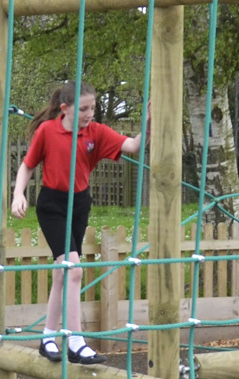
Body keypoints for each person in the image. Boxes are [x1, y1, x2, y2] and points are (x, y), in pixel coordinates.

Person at [12, 82, 143, 364]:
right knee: (73, 271)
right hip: (52, 205)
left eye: (93, 107)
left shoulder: (94, 132)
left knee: (63, 273)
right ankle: (75, 341)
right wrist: (18, 194)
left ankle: (48, 338)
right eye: (83, 109)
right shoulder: (48, 130)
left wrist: (152, 123)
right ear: (65, 109)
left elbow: (133, 146)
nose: (90, 113)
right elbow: (28, 165)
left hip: (80, 204)